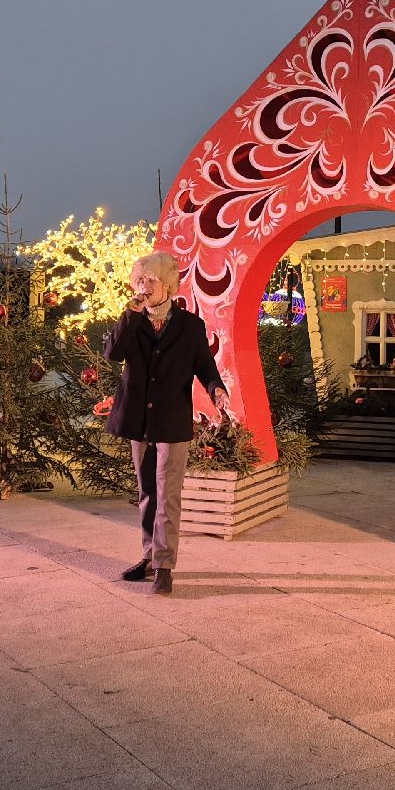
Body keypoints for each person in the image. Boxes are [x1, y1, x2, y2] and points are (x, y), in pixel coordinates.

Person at [103, 251, 228, 594]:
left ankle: (164, 565)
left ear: (168, 285)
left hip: (172, 419)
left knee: (167, 495)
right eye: (139, 280)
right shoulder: (132, 320)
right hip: (138, 419)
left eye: (151, 280)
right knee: (147, 493)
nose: (143, 287)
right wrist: (129, 316)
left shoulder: (190, 326)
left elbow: (205, 366)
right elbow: (112, 354)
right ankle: (149, 556)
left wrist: (216, 388)